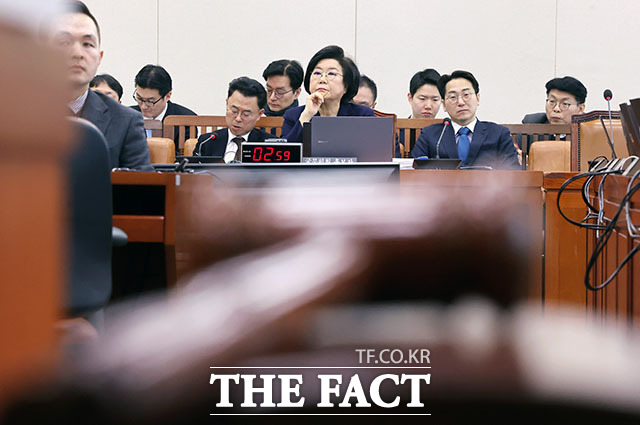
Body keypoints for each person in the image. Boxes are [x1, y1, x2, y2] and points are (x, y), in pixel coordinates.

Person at [46, 1, 151, 170]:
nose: (77, 53)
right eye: (65, 42)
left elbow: (142, 184)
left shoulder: (126, 121)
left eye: (87, 44)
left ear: (99, 58)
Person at [411, 70, 520, 169]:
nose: (461, 102)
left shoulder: (499, 134)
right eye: (453, 97)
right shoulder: (430, 135)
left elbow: (513, 173)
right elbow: (414, 171)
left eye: (466, 95)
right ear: (444, 105)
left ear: (478, 98)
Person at [281, 45, 373, 142]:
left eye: (331, 74)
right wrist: (307, 115)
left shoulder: (362, 115)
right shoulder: (294, 115)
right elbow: (288, 150)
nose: (322, 79)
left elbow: (370, 148)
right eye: (317, 73)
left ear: (346, 86)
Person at [193, 77, 271, 161]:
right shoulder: (207, 142)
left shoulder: (269, 145)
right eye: (234, 111)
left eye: (246, 114)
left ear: (259, 114)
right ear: (227, 104)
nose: (238, 119)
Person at [131, 64, 197, 146]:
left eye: (150, 101)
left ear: (168, 96)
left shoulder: (186, 120)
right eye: (139, 99)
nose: (143, 106)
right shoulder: (127, 116)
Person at [396, 68, 442, 157]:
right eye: (422, 99)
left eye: (435, 99)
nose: (428, 106)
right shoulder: (397, 133)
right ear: (410, 98)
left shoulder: (446, 134)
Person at [522, 76, 587, 124]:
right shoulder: (532, 123)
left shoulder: (590, 130)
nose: (556, 109)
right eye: (552, 101)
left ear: (580, 109)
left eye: (565, 104)